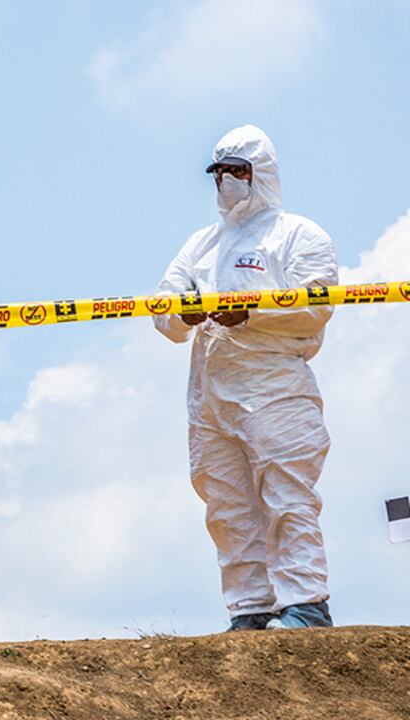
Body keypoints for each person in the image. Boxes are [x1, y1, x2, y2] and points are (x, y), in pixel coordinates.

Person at [154, 125, 338, 631]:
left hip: (275, 388)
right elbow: (163, 311)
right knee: (226, 505)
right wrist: (183, 316)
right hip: (210, 396)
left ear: (262, 173)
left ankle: (305, 603)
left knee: (287, 495)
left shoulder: (299, 235)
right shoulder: (201, 244)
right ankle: (250, 608)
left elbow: (315, 308)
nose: (228, 182)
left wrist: (252, 315)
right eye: (219, 173)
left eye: (238, 171)